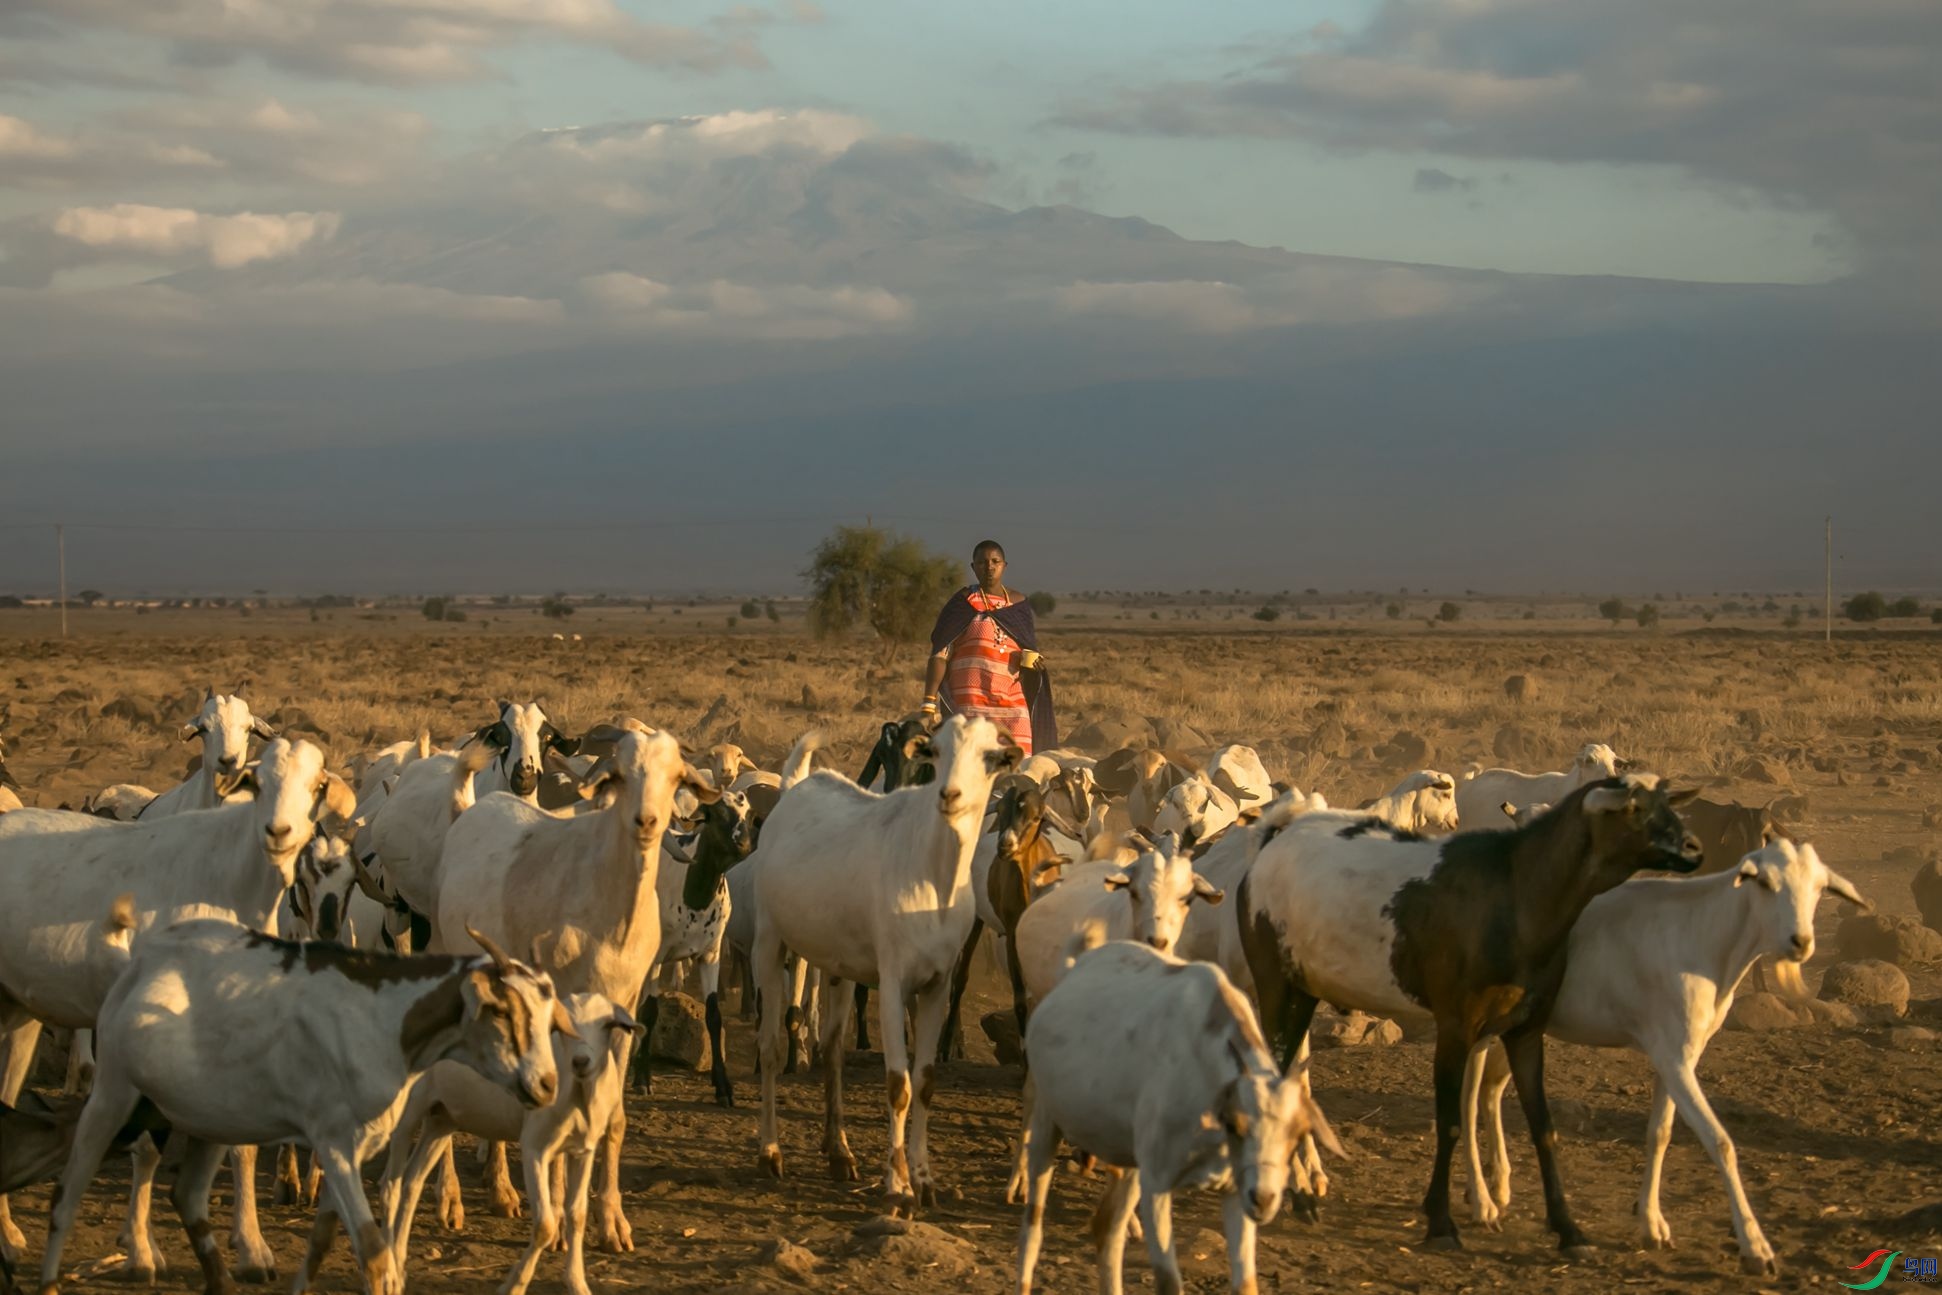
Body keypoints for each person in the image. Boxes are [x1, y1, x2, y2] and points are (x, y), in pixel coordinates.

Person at [921, 539, 1057, 755]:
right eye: (982, 562)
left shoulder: (1018, 605)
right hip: (970, 704)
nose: (989, 567)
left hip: (1012, 704)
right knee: (971, 768)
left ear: (1005, 566)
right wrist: (928, 705)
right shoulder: (962, 603)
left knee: (1018, 766)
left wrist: (1033, 664)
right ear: (973, 567)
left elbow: (1027, 647)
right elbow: (940, 655)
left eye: (995, 561)